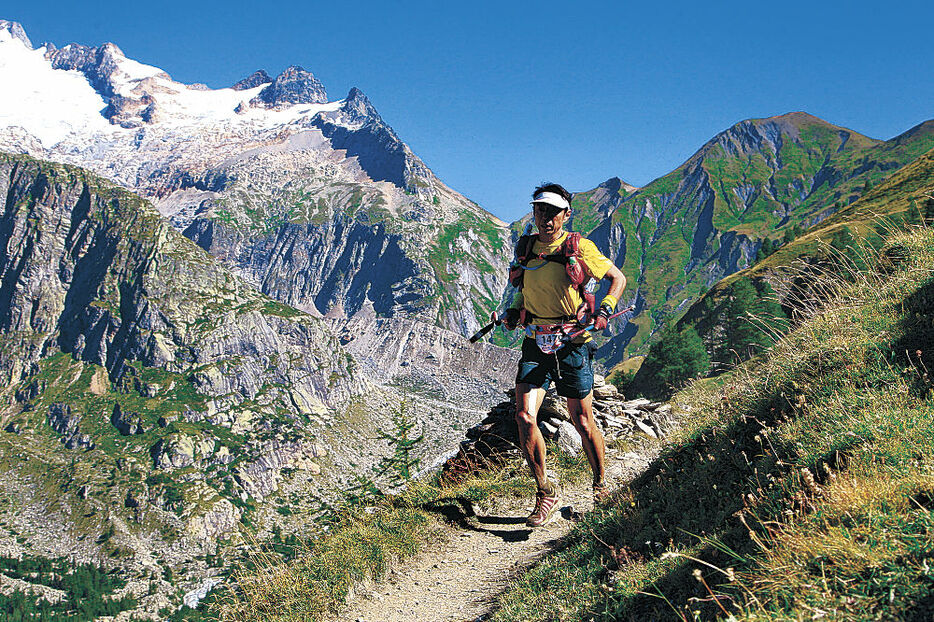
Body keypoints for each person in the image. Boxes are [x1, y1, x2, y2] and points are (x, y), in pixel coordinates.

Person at [502, 182, 626, 527]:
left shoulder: (579, 247)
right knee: (524, 416)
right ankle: (545, 493)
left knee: (582, 421)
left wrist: (605, 309)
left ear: (566, 215)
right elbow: (524, 290)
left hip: (572, 340)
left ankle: (601, 485)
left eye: (553, 212)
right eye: (540, 210)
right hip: (535, 339)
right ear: (534, 211)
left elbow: (618, 278)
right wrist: (514, 311)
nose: (546, 218)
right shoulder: (525, 247)